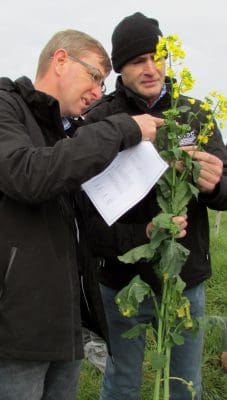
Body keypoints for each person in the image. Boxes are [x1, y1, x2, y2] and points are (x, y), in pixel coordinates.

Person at [0, 29, 167, 400]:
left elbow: (85, 230)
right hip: (10, 330)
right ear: (60, 61)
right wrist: (122, 128)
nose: (98, 92)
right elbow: (29, 175)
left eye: (104, 83)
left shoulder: (68, 135)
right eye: (95, 77)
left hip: (64, 328)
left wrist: (146, 232)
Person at [85, 12, 227, 400]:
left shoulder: (195, 115)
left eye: (157, 56)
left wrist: (214, 187)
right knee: (123, 380)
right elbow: (86, 212)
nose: (151, 69)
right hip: (122, 279)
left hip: (184, 279)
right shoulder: (101, 119)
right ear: (119, 68)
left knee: (185, 381)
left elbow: (226, 191)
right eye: (137, 61)